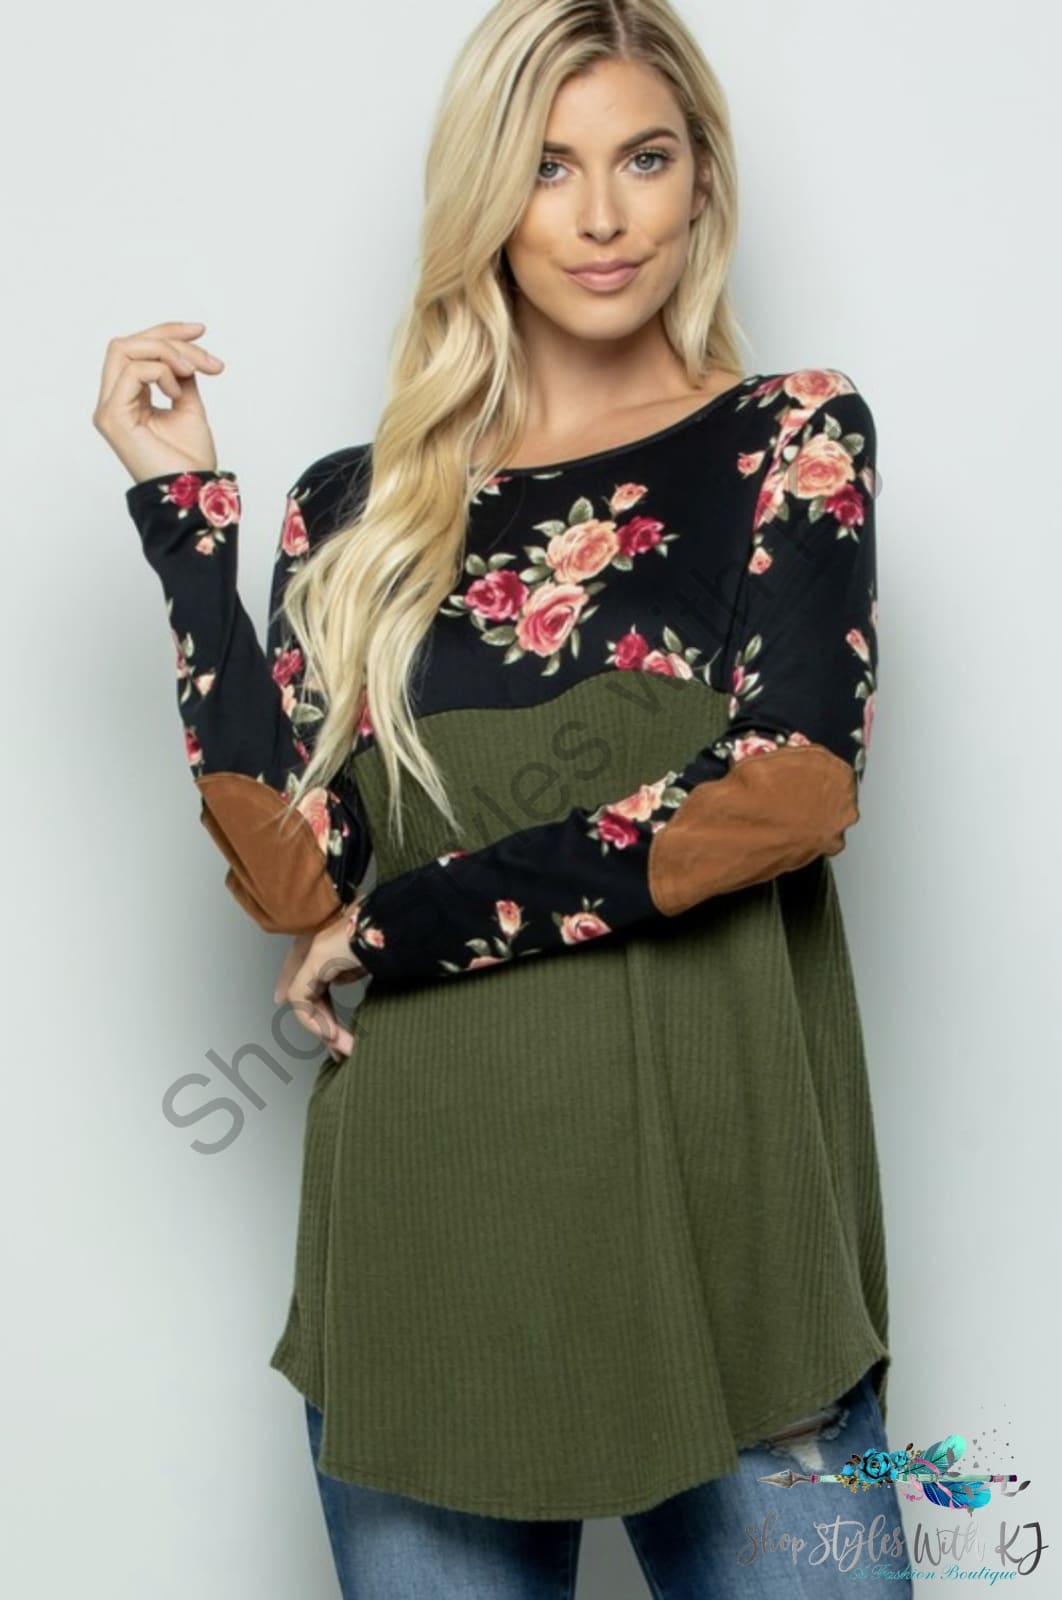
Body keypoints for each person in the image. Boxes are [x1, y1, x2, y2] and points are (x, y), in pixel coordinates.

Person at [92, 1, 911, 1593]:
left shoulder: (786, 436)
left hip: (728, 1215)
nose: (601, 215)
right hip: (429, 1230)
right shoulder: (356, 505)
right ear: (482, 198)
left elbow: (786, 793)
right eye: (545, 167)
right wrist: (185, 527)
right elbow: (295, 879)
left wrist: (396, 930)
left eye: (642, 159)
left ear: (700, 178)